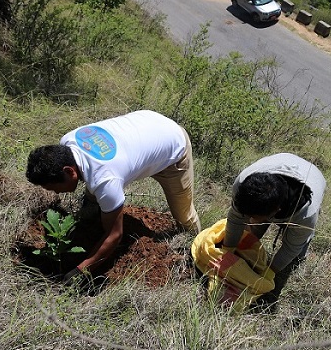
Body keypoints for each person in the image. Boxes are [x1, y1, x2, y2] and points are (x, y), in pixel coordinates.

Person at [26, 110, 202, 280]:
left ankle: (197, 251)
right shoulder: (68, 141)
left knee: (184, 215)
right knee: (95, 197)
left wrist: (80, 271)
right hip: (148, 124)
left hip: (173, 149)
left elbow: (115, 235)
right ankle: (90, 219)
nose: (56, 192)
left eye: (54, 187)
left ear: (69, 171)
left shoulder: (106, 181)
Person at [221, 153, 326, 309]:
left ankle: (295, 262)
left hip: (312, 176)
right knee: (251, 233)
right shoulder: (243, 187)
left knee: (298, 250)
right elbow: (236, 219)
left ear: (276, 211)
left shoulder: (306, 214)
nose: (248, 220)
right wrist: (228, 250)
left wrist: (268, 273)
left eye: (253, 216)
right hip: (281, 160)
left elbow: (291, 247)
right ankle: (248, 249)